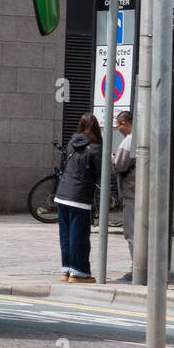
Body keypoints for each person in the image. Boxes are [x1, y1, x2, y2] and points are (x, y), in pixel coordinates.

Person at [54, 113, 103, 283]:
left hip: (62, 194)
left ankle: (66, 269)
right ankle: (79, 272)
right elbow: (101, 173)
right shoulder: (96, 147)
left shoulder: (72, 143)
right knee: (79, 236)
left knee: (66, 235)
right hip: (79, 197)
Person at [111, 111, 136, 282]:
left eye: (119, 124)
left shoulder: (128, 141)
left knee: (132, 232)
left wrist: (112, 158)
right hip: (137, 191)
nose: (118, 127)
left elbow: (119, 165)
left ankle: (137, 269)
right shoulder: (139, 138)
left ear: (126, 123)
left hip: (132, 192)